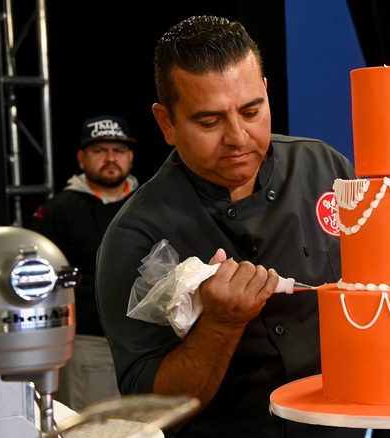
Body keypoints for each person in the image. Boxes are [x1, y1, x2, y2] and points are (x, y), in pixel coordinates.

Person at [95, 16, 364, 437]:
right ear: (166, 123)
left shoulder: (325, 167)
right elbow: (147, 411)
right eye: (209, 121)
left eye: (252, 110)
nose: (238, 137)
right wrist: (220, 325)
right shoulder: (137, 235)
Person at [28, 114, 138, 411]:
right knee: (91, 430)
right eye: (99, 151)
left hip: (152, 343)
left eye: (118, 150)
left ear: (130, 157)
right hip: (88, 345)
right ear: (81, 158)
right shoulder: (58, 210)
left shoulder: (151, 203)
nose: (110, 158)